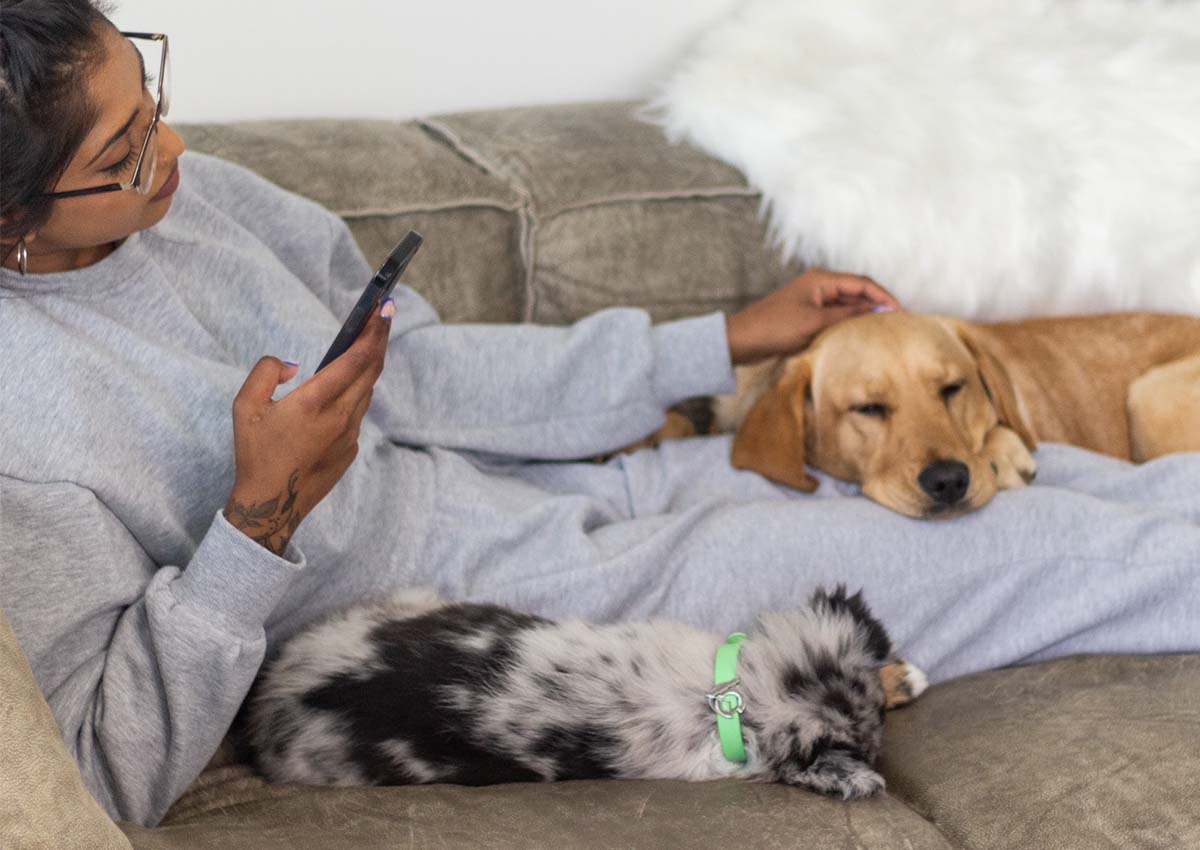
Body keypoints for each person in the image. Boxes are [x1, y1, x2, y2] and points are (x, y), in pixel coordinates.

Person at [2, 0, 1198, 829]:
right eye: (124, 147)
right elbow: (107, 764)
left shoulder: (196, 201)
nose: (176, 146)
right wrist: (258, 521)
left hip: (567, 490)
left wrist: (716, 343)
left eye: (150, 93)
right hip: (506, 625)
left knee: (1047, 475)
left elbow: (425, 372)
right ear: (11, 221)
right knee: (1028, 544)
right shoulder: (27, 438)